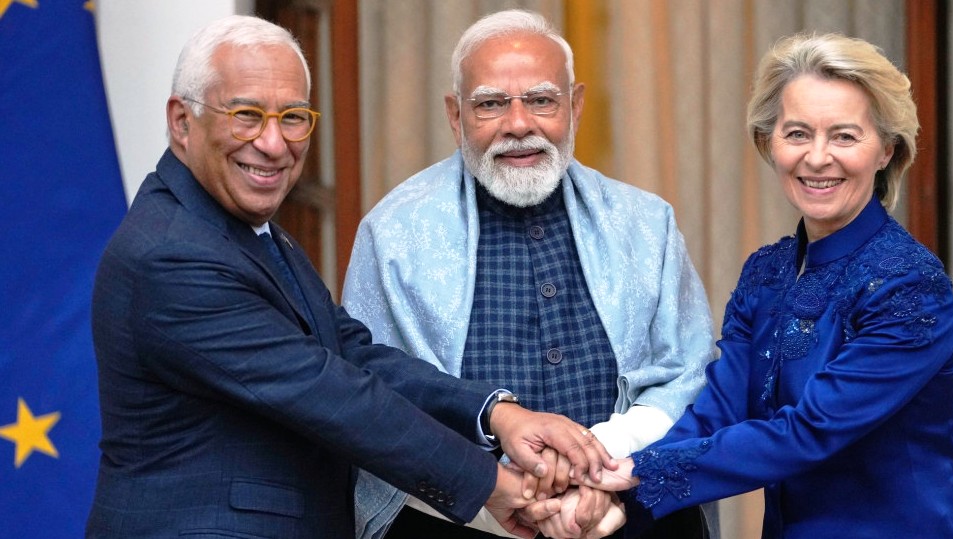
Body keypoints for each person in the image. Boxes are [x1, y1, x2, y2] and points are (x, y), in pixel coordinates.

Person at [87, 15, 614, 539]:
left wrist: (497, 413)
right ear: (182, 121)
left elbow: (351, 354)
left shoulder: (242, 229)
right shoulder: (172, 253)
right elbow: (332, 393)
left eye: (293, 117)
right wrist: (493, 485)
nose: (274, 143)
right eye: (246, 115)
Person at [580, 32, 953, 539]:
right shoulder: (766, 273)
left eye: (844, 136)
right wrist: (610, 477)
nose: (817, 157)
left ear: (886, 151)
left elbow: (809, 432)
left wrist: (634, 475)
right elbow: (718, 413)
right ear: (768, 143)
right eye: (797, 133)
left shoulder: (909, 285)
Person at [343, 9, 718, 539]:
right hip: (456, 520)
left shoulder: (645, 223)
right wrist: (497, 491)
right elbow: (374, 399)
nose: (519, 124)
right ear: (455, 116)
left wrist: (600, 464)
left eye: (541, 100)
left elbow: (689, 375)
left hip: (632, 515)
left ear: (576, 106)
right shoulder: (393, 234)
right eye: (490, 104)